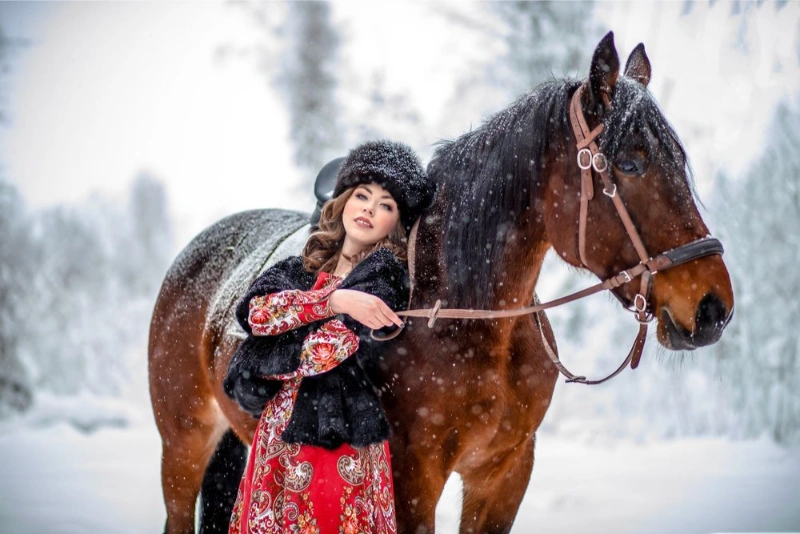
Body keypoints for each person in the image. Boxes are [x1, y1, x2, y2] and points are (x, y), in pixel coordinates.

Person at [224, 140, 436, 534]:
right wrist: (335, 299)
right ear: (343, 203)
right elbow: (255, 313)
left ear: (396, 224)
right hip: (276, 436)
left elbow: (323, 352)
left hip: (336, 437)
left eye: (386, 205)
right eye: (363, 195)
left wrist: (274, 343)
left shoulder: (383, 279)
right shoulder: (296, 268)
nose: (370, 209)